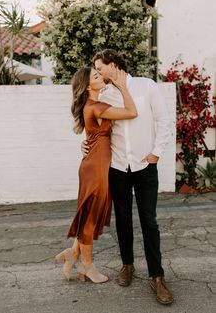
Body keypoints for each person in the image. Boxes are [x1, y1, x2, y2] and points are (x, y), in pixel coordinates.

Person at [82, 49, 173, 304]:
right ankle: (127, 265)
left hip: (145, 165)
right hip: (118, 166)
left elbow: (163, 121)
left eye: (100, 68)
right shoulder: (105, 94)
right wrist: (86, 145)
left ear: (113, 65)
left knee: (149, 221)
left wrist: (155, 153)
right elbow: (96, 128)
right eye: (96, 71)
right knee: (122, 218)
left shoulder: (147, 86)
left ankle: (157, 277)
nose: (98, 73)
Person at [55, 66, 137, 284]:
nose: (100, 76)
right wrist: (121, 87)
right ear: (87, 85)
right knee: (90, 217)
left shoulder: (91, 106)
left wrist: (86, 145)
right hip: (96, 168)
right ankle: (87, 266)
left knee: (89, 213)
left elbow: (94, 136)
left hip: (94, 164)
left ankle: (73, 254)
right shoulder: (97, 106)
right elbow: (131, 112)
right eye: (96, 75)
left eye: (99, 73)